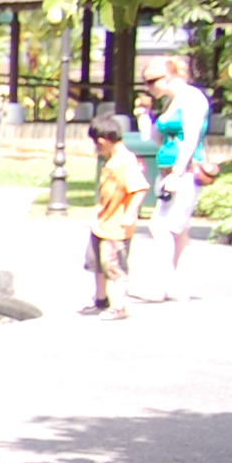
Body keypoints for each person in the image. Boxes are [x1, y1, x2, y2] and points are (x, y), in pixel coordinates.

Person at [138, 65, 213, 298]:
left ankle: (160, 285)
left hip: (185, 171)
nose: (149, 88)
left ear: (169, 76)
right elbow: (154, 139)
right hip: (167, 170)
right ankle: (179, 286)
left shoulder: (192, 98)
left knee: (162, 227)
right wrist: (144, 116)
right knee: (178, 230)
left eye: (152, 81)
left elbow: (191, 139)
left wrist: (177, 173)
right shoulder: (171, 103)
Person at [83, 117, 140, 317]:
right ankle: (100, 299)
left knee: (113, 264)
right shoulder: (112, 161)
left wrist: (130, 214)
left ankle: (118, 306)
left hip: (116, 224)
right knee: (97, 262)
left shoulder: (126, 161)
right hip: (102, 221)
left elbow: (139, 189)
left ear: (102, 141)